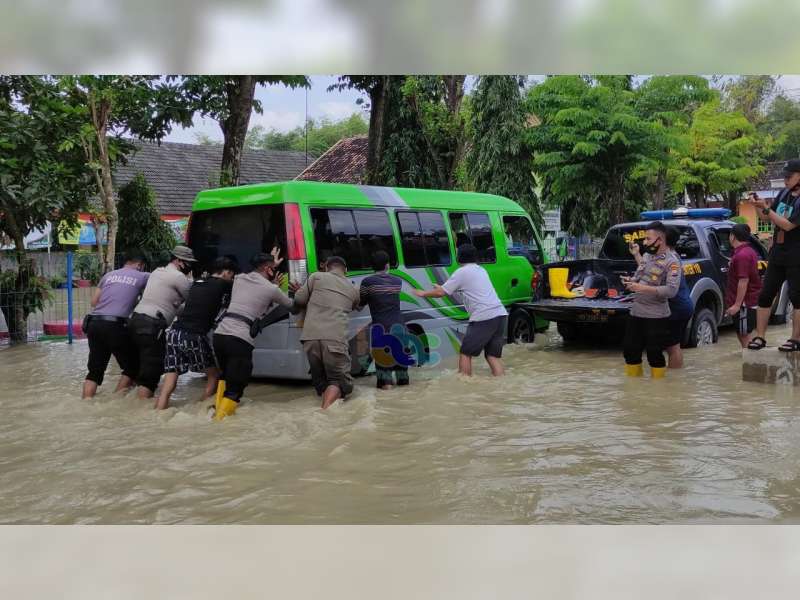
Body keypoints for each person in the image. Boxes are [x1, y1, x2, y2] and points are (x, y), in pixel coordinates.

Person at [212, 250, 294, 421]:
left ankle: (216, 413)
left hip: (219, 335)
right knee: (236, 387)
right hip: (239, 339)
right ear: (267, 269)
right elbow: (292, 306)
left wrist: (269, 264)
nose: (275, 271)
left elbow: (255, 291)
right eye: (273, 268)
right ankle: (217, 425)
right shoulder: (271, 289)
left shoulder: (239, 278)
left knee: (225, 376)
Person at [154, 257, 238, 410]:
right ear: (226, 272)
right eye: (232, 275)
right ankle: (200, 410)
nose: (232, 278)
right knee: (214, 375)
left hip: (174, 333)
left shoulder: (197, 283)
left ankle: (159, 410)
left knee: (171, 377)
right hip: (194, 335)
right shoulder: (223, 284)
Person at [413, 244, 508, 377]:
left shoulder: (462, 272)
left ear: (460, 256)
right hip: (500, 315)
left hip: (484, 317)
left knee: (465, 353)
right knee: (492, 356)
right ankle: (501, 382)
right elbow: (463, 290)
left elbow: (441, 293)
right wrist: (442, 288)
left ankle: (464, 383)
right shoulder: (480, 270)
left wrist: (423, 293)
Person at [292, 256, 361, 409]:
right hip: (335, 339)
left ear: (326, 267)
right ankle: (324, 414)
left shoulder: (316, 277)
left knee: (321, 381)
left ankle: (324, 410)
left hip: (310, 338)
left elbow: (299, 300)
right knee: (338, 381)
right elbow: (356, 305)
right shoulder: (353, 288)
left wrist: (301, 291)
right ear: (346, 270)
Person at [129, 245, 196, 400]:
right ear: (179, 261)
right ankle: (142, 408)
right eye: (188, 263)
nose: (190, 266)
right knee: (151, 371)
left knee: (137, 367)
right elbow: (192, 301)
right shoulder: (179, 277)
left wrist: (175, 305)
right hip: (152, 324)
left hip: (135, 320)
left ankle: (125, 400)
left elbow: (165, 301)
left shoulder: (157, 272)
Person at [747, 159, 800, 351]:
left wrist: (767, 209)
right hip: (778, 252)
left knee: (797, 297)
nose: (785, 180)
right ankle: (760, 337)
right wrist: (757, 205)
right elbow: (765, 217)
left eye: (789, 176)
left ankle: (795, 339)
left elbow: (788, 225)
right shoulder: (783, 193)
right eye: (784, 176)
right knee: (765, 294)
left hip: (796, 253)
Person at [82, 251, 149, 399]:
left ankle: (85, 402)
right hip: (116, 325)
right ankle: (115, 402)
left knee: (94, 372)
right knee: (132, 368)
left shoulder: (108, 276)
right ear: (140, 265)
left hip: (94, 323)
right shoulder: (143, 276)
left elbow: (94, 302)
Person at [622, 221, 680, 378]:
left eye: (648, 239)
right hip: (636, 313)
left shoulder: (672, 262)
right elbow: (640, 275)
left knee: (654, 354)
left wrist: (642, 288)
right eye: (645, 239)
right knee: (630, 351)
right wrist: (630, 281)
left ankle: (658, 388)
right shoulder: (647, 256)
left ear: (660, 240)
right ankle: (634, 387)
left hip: (656, 316)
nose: (645, 242)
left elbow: (671, 290)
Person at [359, 250, 410, 390]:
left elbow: (360, 305)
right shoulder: (397, 282)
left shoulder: (367, 282)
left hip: (382, 333)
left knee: (385, 382)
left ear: (371, 266)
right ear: (387, 265)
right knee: (403, 378)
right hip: (401, 331)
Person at [651, 226, 693, 368]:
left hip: (676, 308)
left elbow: (654, 279)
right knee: (673, 345)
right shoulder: (671, 255)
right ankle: (675, 377)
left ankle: (675, 377)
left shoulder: (669, 258)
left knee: (673, 347)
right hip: (681, 306)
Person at [724, 223, 762, 349]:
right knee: (742, 334)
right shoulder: (747, 251)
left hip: (745, 303)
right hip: (745, 301)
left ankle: (752, 360)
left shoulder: (742, 255)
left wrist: (737, 305)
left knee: (745, 336)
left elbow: (743, 280)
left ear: (733, 236)